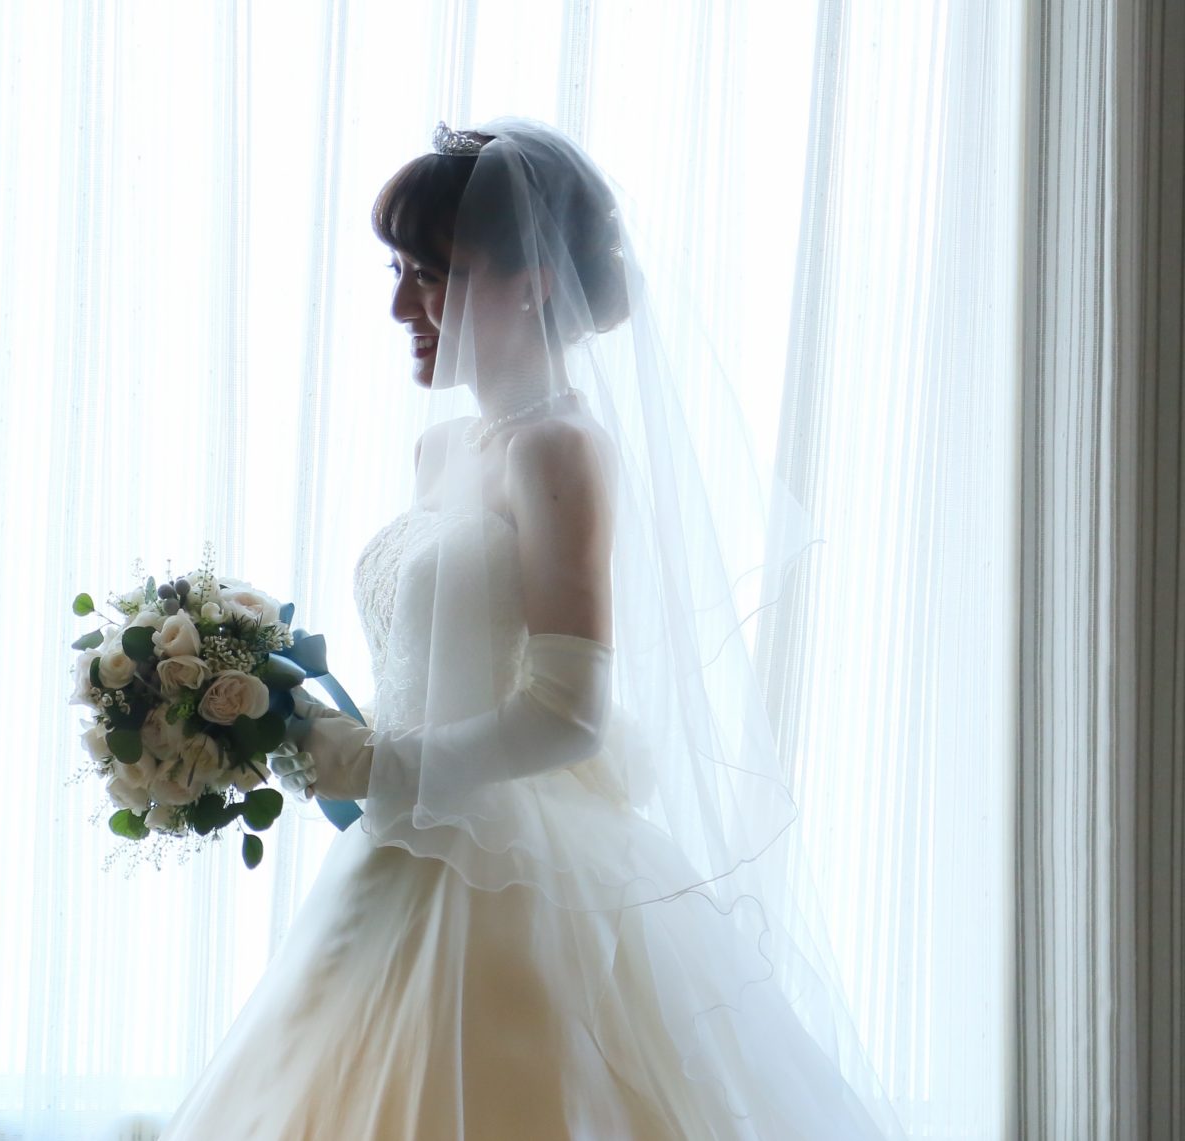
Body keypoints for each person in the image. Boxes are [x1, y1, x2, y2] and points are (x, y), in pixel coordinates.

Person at [161, 118, 899, 1140]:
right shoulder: (443, 449)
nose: (402, 305)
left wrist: (378, 763)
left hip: (511, 872)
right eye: (399, 271)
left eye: (434, 274)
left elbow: (569, 712)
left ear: (533, 283)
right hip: (398, 856)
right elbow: (437, 655)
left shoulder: (558, 450)